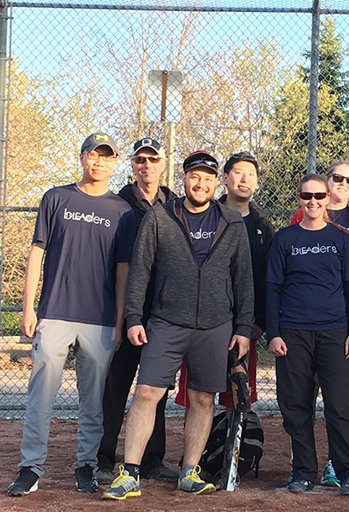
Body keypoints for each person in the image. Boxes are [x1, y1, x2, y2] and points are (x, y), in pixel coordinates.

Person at [102, 151, 254, 500]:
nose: (200, 183)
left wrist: (243, 328)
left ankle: (189, 471)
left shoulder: (231, 223)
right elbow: (140, 269)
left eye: (207, 178)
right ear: (184, 179)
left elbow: (243, 280)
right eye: (194, 176)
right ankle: (129, 473)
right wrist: (135, 318)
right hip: (166, 322)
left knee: (202, 398)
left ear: (217, 183)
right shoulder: (159, 216)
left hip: (215, 326)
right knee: (146, 393)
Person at [7, 133, 136, 496]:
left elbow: (123, 270)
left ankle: (86, 466)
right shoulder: (56, 198)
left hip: (100, 317)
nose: (99, 162)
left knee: (93, 399)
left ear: (114, 163)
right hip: (55, 311)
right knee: (40, 396)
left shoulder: (121, 212)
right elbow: (37, 251)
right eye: (93, 155)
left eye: (106, 157)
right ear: (82, 158)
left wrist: (120, 317)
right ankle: (30, 468)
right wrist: (29, 305)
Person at [266, 173, 349, 496]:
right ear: (299, 198)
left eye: (319, 196)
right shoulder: (285, 239)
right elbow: (273, 290)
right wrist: (274, 333)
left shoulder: (342, 239)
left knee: (338, 405)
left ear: (327, 199)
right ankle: (304, 471)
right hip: (293, 332)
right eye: (307, 196)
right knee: (296, 405)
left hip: (335, 332)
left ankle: (348, 470)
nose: (313, 202)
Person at [290, 160, 349, 486]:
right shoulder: (303, 215)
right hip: (302, 325)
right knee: (301, 397)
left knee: (338, 399)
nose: (342, 183)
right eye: (337, 177)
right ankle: (301, 467)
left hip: (343, 324)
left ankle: (339, 465)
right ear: (326, 182)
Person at [96, 138, 178, 485]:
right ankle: (102, 457)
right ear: (133, 165)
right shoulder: (119, 204)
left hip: (162, 311)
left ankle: (152, 459)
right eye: (140, 160)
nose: (147, 165)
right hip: (126, 310)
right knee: (116, 386)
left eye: (153, 159)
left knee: (155, 388)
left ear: (162, 164)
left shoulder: (175, 204)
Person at [175, 151, 274, 411]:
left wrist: (258, 321)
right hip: (202, 319)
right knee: (197, 394)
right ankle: (197, 450)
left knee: (238, 392)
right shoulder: (206, 213)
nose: (244, 179)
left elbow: (265, 278)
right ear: (226, 179)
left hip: (244, 322)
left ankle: (231, 451)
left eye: (251, 174)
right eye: (238, 172)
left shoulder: (263, 226)